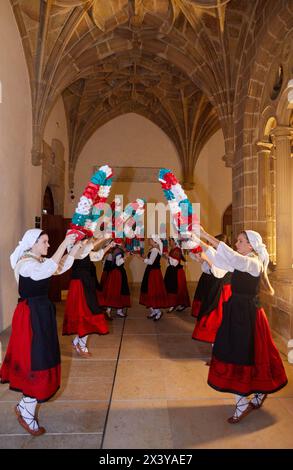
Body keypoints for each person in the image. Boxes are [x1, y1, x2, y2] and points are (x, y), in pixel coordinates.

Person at [194, 228, 288, 423]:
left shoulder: (253, 263)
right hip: (235, 312)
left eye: (240, 241)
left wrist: (204, 234)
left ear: (250, 245)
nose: (236, 244)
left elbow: (233, 257)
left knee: (243, 355)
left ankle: (244, 401)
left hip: (248, 316)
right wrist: (195, 239)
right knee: (234, 352)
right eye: (236, 241)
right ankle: (252, 396)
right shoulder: (243, 259)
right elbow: (220, 259)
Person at [0, 229, 80, 436]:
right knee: (36, 360)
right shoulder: (26, 264)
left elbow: (58, 267)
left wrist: (74, 249)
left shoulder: (37, 261)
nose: (48, 245)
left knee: (41, 357)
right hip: (31, 317)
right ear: (32, 244)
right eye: (44, 242)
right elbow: (48, 269)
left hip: (39, 314)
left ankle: (24, 406)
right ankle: (26, 410)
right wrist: (64, 243)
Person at [63, 237, 115, 357]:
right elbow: (87, 249)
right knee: (86, 313)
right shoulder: (75, 251)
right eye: (88, 239)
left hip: (85, 285)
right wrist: (103, 238)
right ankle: (81, 345)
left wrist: (108, 246)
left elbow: (96, 256)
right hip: (79, 286)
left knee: (89, 313)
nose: (90, 241)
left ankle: (77, 342)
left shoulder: (84, 251)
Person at [139, 235, 169, 321]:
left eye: (150, 239)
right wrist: (145, 258)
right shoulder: (153, 249)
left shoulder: (155, 250)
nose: (148, 240)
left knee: (152, 291)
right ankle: (154, 311)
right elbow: (150, 260)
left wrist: (141, 259)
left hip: (153, 273)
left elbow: (151, 262)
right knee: (149, 291)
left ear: (154, 241)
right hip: (151, 272)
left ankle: (158, 312)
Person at [102, 239, 131, 318]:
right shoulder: (119, 251)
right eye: (123, 243)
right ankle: (118, 311)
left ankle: (110, 310)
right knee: (119, 290)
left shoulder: (116, 250)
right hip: (118, 273)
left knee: (113, 290)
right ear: (120, 244)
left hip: (114, 273)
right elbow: (118, 263)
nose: (124, 245)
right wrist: (125, 257)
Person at [164, 237, 190, 312]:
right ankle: (175, 303)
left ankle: (175, 304)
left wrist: (168, 256)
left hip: (176, 272)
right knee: (172, 288)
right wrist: (167, 256)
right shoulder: (173, 249)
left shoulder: (177, 250)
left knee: (175, 288)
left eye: (170, 241)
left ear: (174, 241)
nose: (169, 242)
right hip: (172, 271)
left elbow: (175, 263)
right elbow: (171, 261)